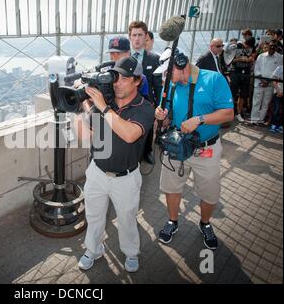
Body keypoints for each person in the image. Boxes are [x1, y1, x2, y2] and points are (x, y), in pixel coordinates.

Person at [76, 56, 154, 272]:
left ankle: (130, 253)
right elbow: (85, 137)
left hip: (126, 177)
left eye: (123, 78)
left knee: (127, 219)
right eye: (114, 77)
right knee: (93, 216)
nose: (116, 82)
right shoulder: (105, 104)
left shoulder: (144, 108)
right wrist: (79, 107)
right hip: (97, 172)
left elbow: (129, 134)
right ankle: (93, 250)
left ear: (137, 80)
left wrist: (102, 107)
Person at [154, 50, 234, 250]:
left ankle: (205, 223)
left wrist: (199, 119)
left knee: (209, 192)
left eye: (166, 72)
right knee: (171, 187)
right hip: (176, 147)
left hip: (206, 150)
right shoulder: (172, 86)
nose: (165, 78)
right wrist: (162, 116)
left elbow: (228, 113)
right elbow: (168, 118)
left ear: (180, 65)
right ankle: (173, 221)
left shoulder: (214, 79)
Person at [129, 21, 162, 164]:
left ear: (145, 36)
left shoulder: (154, 59)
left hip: (147, 103)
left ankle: (147, 152)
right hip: (128, 103)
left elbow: (158, 86)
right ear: (130, 37)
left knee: (147, 130)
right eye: (134, 35)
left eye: (140, 35)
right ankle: (131, 154)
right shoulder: (124, 58)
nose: (137, 38)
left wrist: (160, 105)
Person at [249, 40, 283, 125]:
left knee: (266, 103)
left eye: (274, 46)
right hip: (259, 83)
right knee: (256, 102)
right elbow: (257, 69)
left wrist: (268, 82)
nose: (272, 47)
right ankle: (253, 120)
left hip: (271, 84)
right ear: (268, 46)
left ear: (276, 47)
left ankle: (260, 120)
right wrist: (263, 80)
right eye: (270, 45)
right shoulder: (261, 56)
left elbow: (278, 72)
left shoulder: (280, 58)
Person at [106, 36, 150, 100]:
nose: (114, 56)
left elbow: (144, 102)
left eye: (118, 53)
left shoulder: (139, 77)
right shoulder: (105, 74)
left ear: (128, 52)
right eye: (112, 53)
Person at [230, 36, 255, 122]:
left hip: (246, 74)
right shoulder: (237, 46)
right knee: (233, 93)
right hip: (236, 72)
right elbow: (229, 60)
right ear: (245, 43)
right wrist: (240, 59)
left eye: (249, 47)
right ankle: (230, 112)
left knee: (243, 95)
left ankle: (238, 113)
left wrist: (250, 59)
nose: (248, 48)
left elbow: (253, 56)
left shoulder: (252, 47)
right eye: (247, 46)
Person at [270, 64, 283, 133]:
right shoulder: (279, 68)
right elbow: (274, 80)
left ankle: (280, 126)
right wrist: (278, 90)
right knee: (276, 109)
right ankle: (273, 125)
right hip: (278, 92)